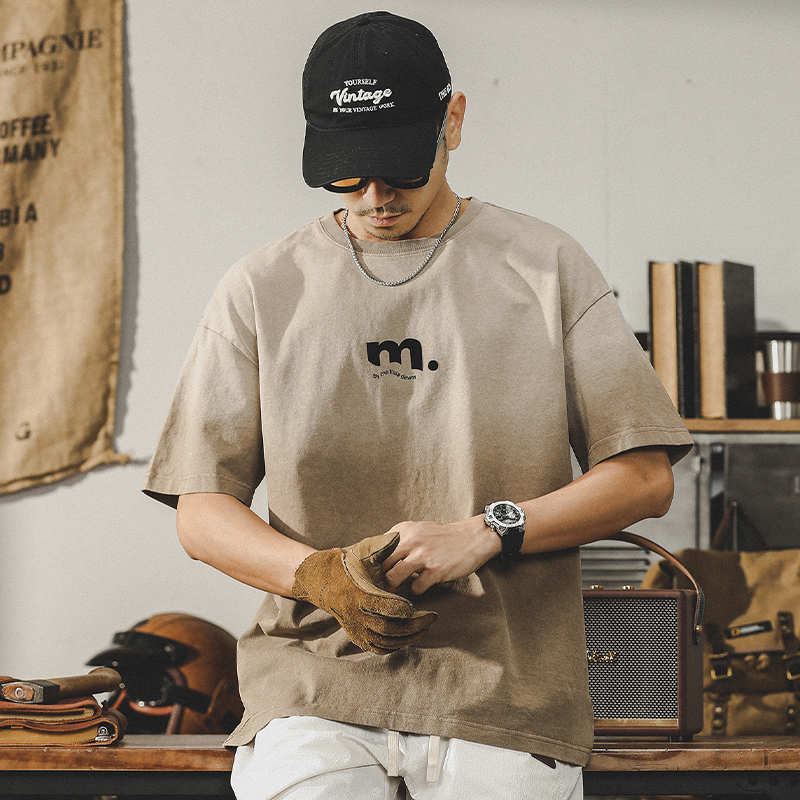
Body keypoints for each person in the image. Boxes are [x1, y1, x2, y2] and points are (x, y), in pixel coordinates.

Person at [143, 11, 693, 800]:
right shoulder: (261, 288)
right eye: (347, 174)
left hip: (505, 696)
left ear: (453, 121)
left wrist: (488, 531)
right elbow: (200, 512)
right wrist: (318, 575)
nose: (375, 197)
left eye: (399, 167)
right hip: (314, 690)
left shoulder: (546, 268)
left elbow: (644, 477)